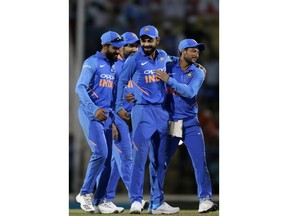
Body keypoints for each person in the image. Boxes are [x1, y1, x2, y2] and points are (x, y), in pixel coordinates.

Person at [115, 25, 180, 214]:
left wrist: (193, 64)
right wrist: (119, 106)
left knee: (160, 160)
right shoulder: (134, 59)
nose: (145, 43)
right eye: (143, 40)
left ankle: (157, 202)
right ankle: (136, 200)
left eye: (149, 40)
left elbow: (175, 61)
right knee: (139, 157)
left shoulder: (163, 57)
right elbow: (121, 80)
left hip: (162, 112)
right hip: (142, 111)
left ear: (157, 41)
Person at [155, 38, 218, 213]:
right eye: (192, 51)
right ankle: (156, 201)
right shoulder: (169, 64)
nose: (196, 54)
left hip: (191, 123)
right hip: (172, 123)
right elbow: (158, 56)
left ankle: (205, 200)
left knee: (200, 162)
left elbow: (190, 92)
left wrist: (169, 80)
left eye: (197, 51)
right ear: (182, 51)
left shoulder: (197, 72)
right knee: (162, 162)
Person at [75, 31, 125, 214]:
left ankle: (101, 200)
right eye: (115, 48)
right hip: (91, 115)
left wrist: (112, 121)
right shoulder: (92, 63)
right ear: (105, 46)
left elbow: (112, 96)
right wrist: (94, 109)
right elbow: (79, 88)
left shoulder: (115, 66)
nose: (118, 52)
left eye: (119, 48)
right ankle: (85, 193)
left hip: (107, 117)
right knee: (101, 154)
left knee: (108, 162)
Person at [104, 32, 148, 211]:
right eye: (130, 45)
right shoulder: (114, 67)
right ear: (120, 47)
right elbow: (107, 97)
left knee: (116, 163)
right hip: (117, 119)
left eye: (136, 46)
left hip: (131, 120)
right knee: (126, 158)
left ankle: (103, 198)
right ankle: (136, 197)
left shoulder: (137, 64)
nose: (134, 49)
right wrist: (111, 121)